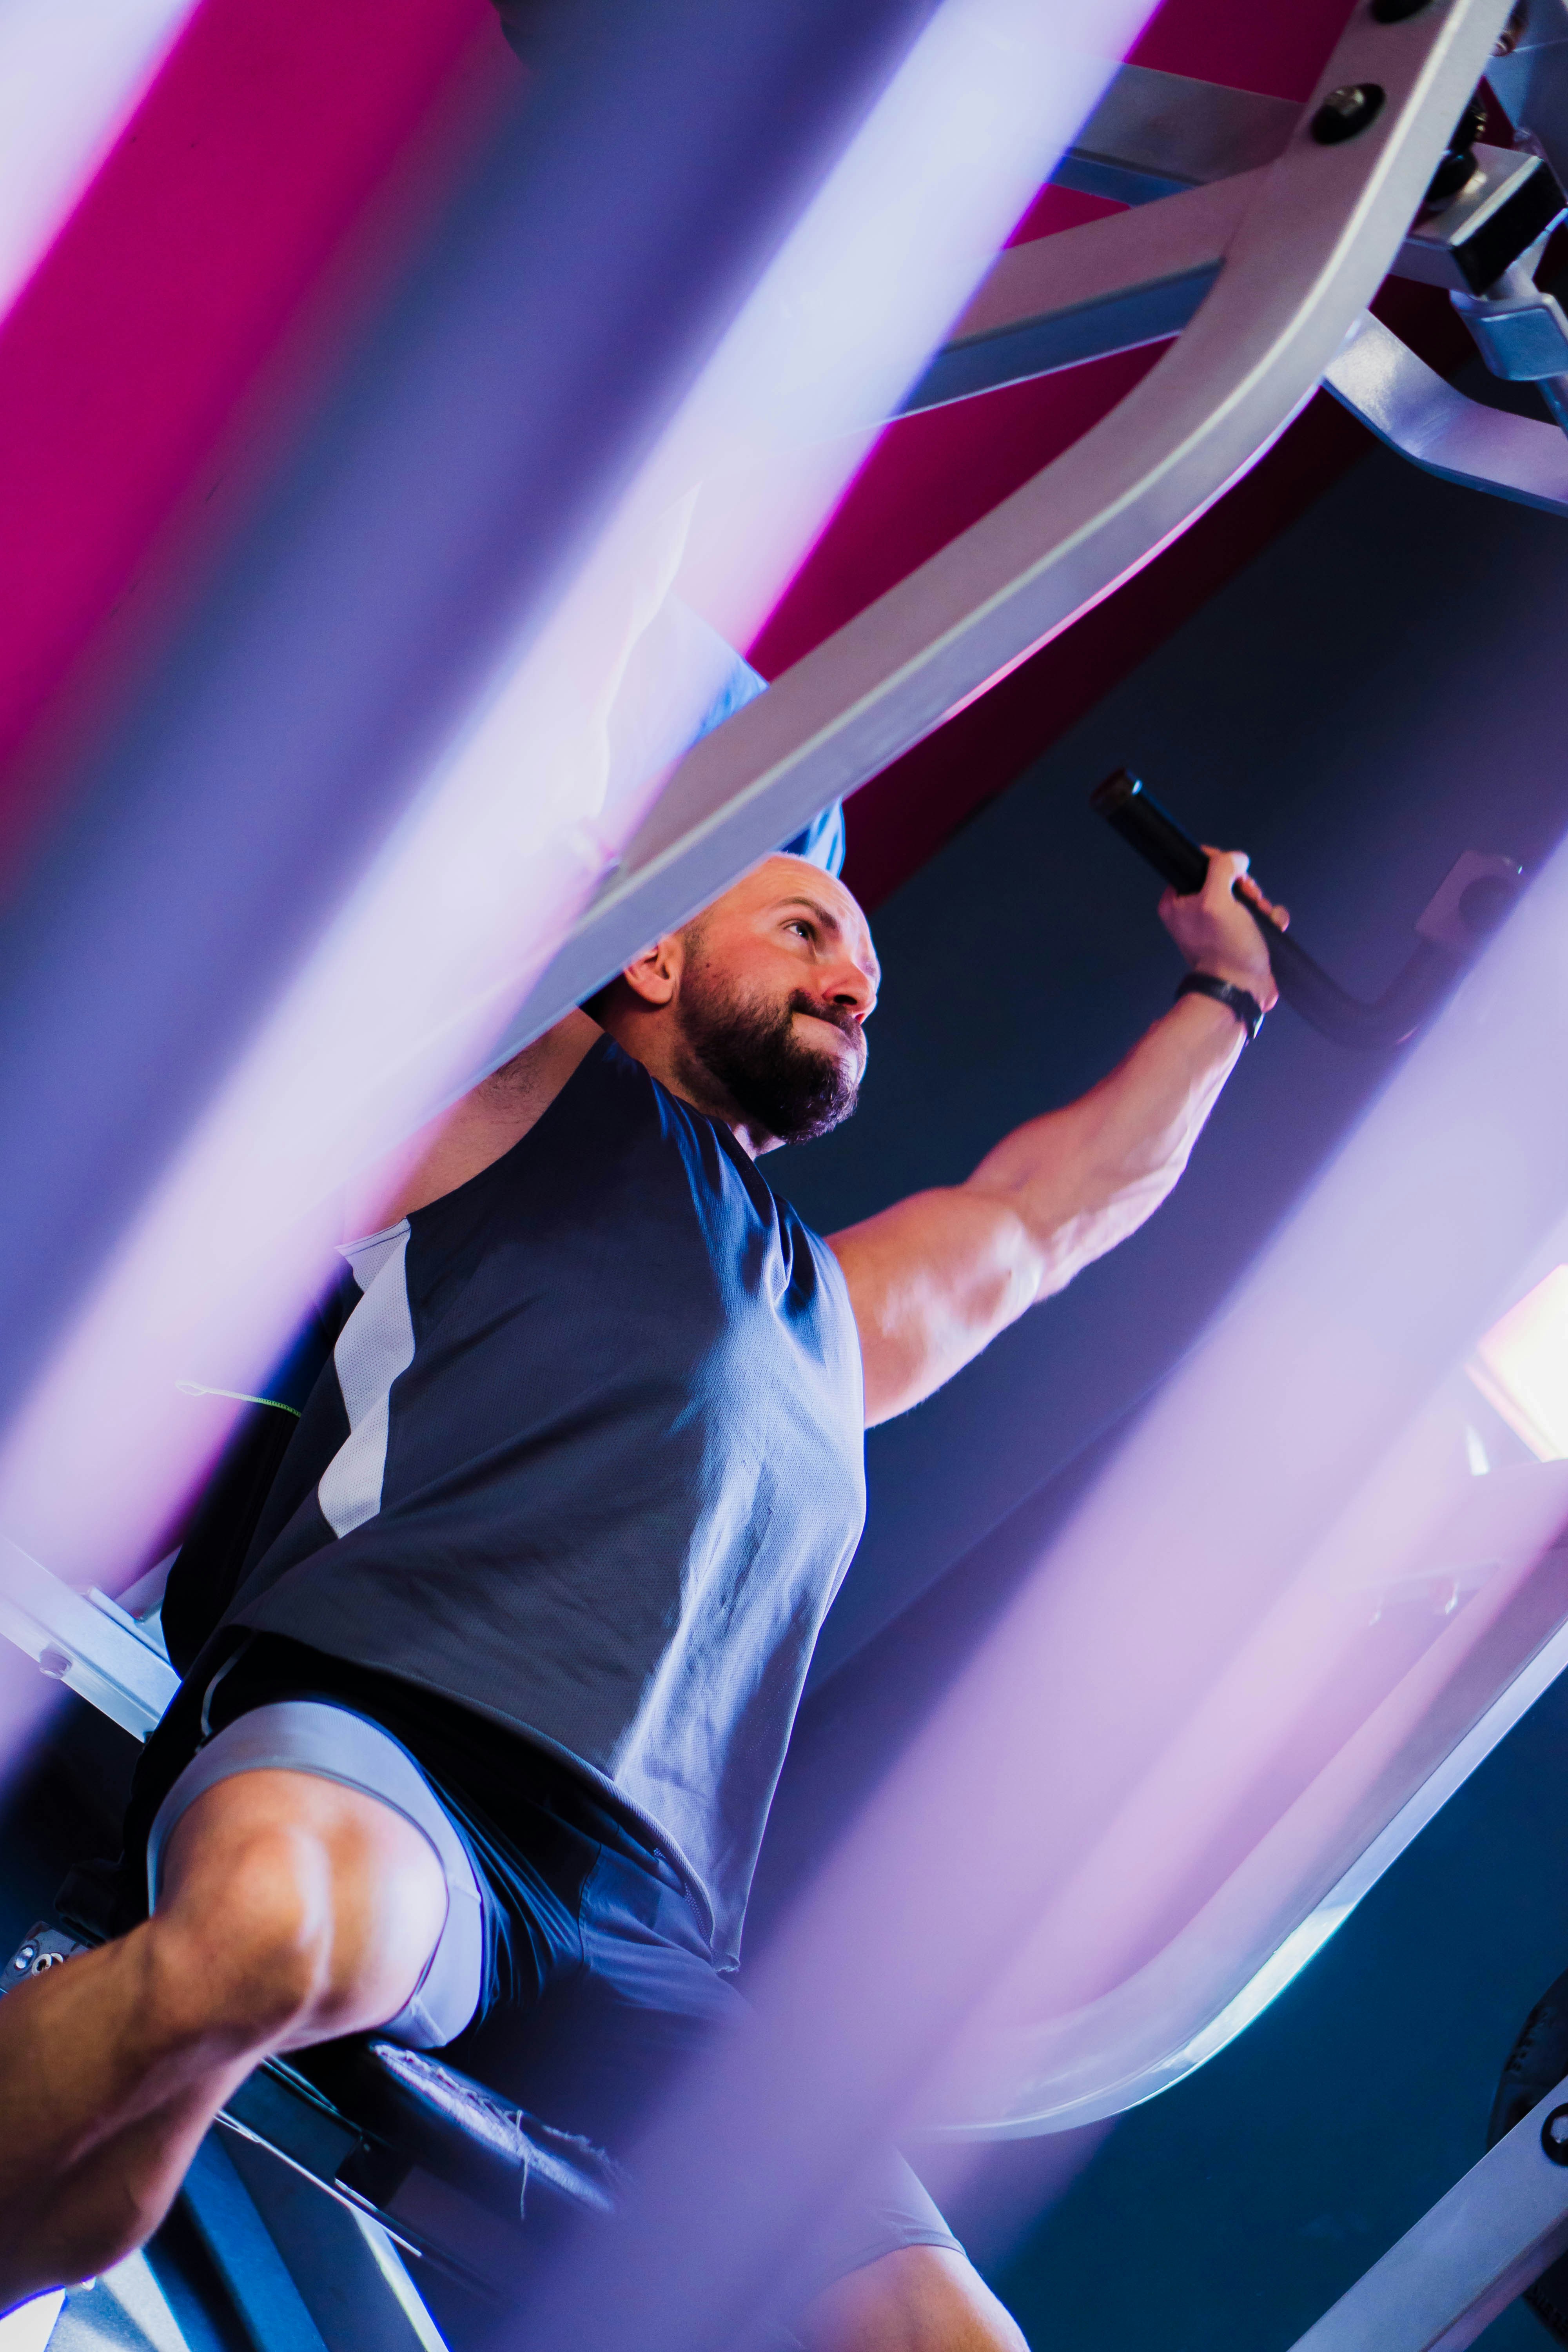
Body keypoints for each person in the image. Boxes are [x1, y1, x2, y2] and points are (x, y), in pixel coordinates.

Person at [0, 822, 1283, 2346]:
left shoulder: (837, 1320)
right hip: (389, 1753)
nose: (855, 980)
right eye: (806, 927)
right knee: (277, 1934)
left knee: (950, 2339)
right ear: (656, 952)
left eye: (865, 964)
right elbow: (554, 827)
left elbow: (1050, 1213)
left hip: (647, 1935)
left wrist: (1228, 998)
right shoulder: (520, 1099)